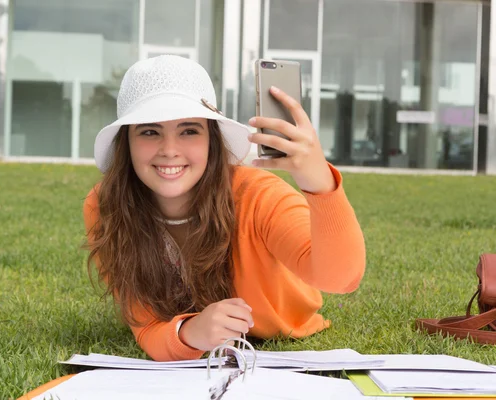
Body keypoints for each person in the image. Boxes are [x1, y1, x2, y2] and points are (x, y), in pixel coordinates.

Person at [83, 55, 365, 361]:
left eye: (189, 130)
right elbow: (147, 325)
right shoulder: (106, 204)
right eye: (149, 132)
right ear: (126, 142)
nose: (169, 150)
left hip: (282, 336)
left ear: (211, 140)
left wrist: (320, 184)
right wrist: (190, 333)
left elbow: (340, 278)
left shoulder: (259, 196)